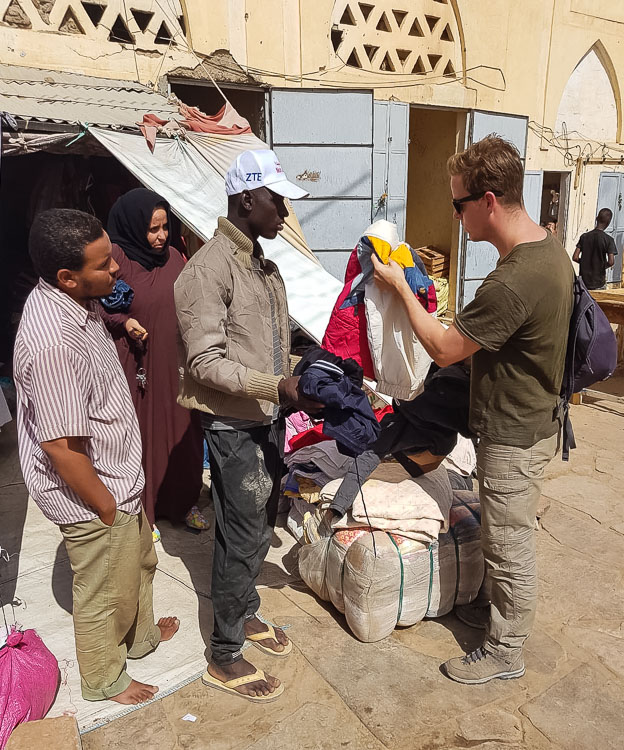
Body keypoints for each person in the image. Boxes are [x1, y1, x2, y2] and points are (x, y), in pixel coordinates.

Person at [371, 136, 573, 684]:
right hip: (530, 422)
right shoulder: (547, 248)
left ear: (487, 200)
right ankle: (494, 613)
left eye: (458, 204)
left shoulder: (514, 280)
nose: (454, 216)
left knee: (510, 544)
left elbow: (444, 348)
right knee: (503, 531)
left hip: (513, 433)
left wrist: (399, 287)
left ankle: (507, 650)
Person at [13, 208, 179, 704]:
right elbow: (62, 448)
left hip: (120, 478)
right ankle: (105, 678)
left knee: (139, 566)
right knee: (104, 590)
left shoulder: (78, 303)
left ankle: (142, 637)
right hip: (95, 494)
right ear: (67, 277)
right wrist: (105, 507)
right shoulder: (53, 341)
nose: (116, 271)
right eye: (104, 265)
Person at [175, 149, 321, 702]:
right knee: (240, 536)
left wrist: (304, 378)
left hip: (267, 421)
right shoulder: (208, 270)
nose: (285, 211)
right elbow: (204, 362)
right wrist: (275, 386)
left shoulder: (264, 266)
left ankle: (247, 610)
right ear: (246, 199)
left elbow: (273, 344)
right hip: (233, 429)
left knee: (260, 525)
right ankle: (225, 653)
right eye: (277, 200)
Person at [100, 188, 204, 541]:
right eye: (153, 229)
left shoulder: (175, 256)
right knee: (142, 435)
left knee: (183, 430)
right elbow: (97, 303)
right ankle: (145, 511)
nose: (161, 237)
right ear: (133, 227)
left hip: (175, 361)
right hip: (137, 361)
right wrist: (123, 322)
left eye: (165, 227)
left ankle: (184, 502)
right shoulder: (117, 258)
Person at [573, 208, 617, 290]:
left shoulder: (584, 237)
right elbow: (611, 262)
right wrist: (599, 266)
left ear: (596, 218)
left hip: (583, 282)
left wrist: (585, 264)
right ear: (608, 222)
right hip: (599, 283)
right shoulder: (609, 240)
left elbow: (575, 257)